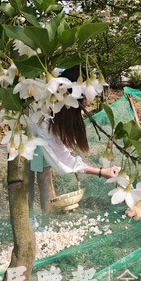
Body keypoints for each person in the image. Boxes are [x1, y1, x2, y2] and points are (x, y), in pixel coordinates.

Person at [28, 67, 119, 218]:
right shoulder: (46, 115)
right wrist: (101, 172)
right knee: (30, 181)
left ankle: (47, 216)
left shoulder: (61, 109)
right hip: (27, 143)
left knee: (44, 175)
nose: (91, 100)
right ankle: (31, 220)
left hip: (38, 139)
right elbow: (63, 162)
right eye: (89, 94)